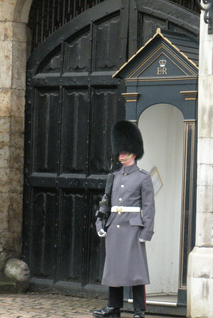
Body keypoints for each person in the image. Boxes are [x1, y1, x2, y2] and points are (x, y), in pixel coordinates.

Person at [94, 120, 155, 318]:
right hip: (114, 225)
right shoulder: (114, 176)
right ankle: (113, 307)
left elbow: (148, 207)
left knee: (136, 271)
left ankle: (139, 309)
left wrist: (147, 231)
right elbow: (106, 203)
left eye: (124, 152)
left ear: (133, 153)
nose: (121, 156)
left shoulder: (143, 177)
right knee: (114, 269)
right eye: (119, 152)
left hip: (133, 227)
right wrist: (100, 222)